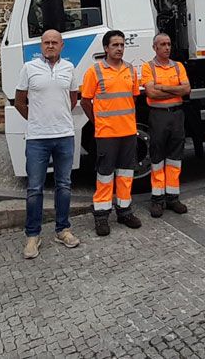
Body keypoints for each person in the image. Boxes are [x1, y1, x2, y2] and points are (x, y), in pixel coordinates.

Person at [14, 30, 82, 258]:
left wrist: (57, 117)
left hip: (64, 135)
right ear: (41, 45)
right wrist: (37, 119)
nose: (50, 46)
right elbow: (20, 101)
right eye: (46, 42)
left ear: (62, 45)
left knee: (64, 185)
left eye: (54, 42)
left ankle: (62, 229)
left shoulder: (69, 69)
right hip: (36, 138)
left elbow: (72, 99)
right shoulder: (29, 68)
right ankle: (33, 235)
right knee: (35, 188)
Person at [79, 30, 142, 236]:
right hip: (106, 134)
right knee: (105, 176)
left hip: (128, 133)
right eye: (115, 45)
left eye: (122, 45)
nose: (119, 48)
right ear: (106, 48)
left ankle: (124, 211)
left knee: (125, 174)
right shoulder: (94, 71)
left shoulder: (131, 70)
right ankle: (102, 216)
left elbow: (132, 98)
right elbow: (85, 101)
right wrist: (98, 122)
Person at [140, 32, 191, 217]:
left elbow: (186, 89)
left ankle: (172, 197)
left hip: (177, 115)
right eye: (162, 44)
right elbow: (152, 94)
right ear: (155, 47)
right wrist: (174, 90)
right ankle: (157, 199)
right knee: (157, 157)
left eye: (169, 44)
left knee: (175, 159)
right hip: (158, 116)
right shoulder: (148, 67)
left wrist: (163, 87)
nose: (167, 47)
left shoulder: (178, 66)